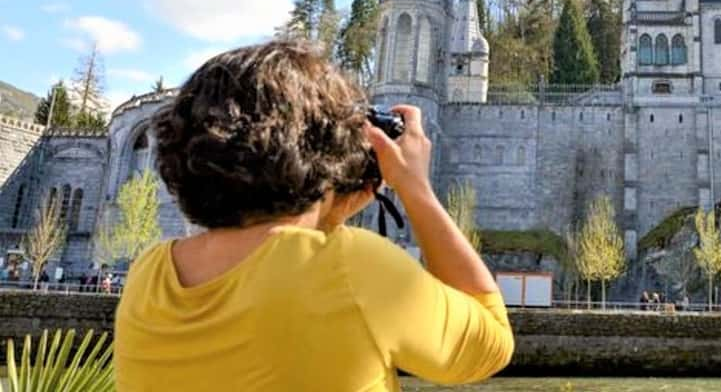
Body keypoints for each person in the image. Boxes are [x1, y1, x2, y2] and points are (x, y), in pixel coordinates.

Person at [114, 41, 514, 391]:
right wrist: (416, 189)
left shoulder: (148, 276)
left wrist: (327, 205)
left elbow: (280, 262)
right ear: (326, 148)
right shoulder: (352, 266)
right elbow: (491, 343)